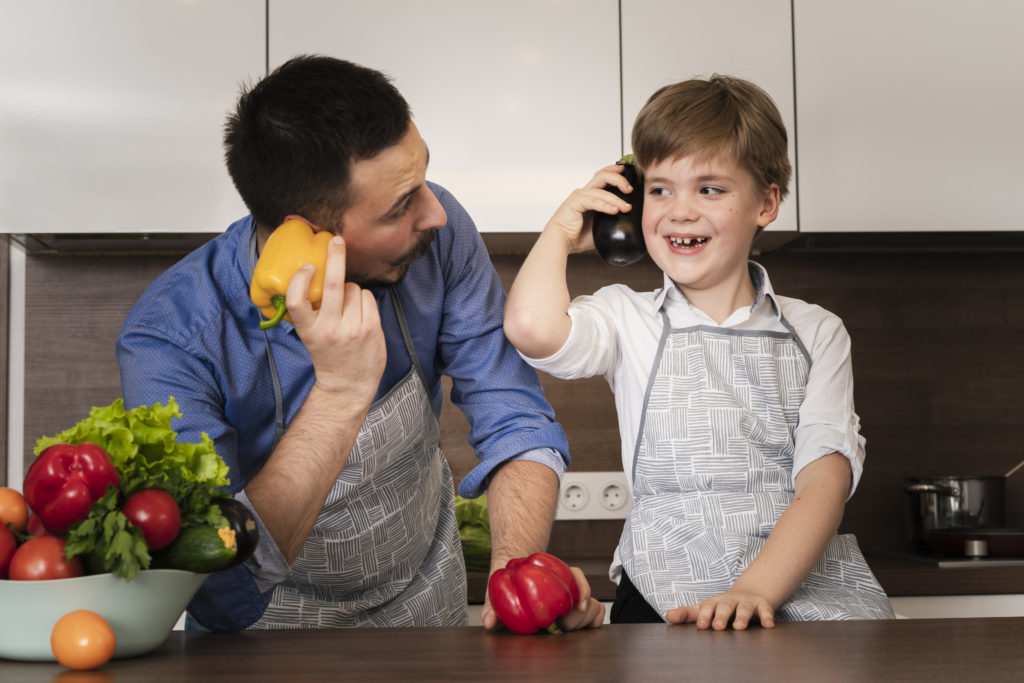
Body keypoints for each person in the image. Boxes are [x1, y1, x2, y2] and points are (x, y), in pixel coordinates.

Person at [117, 55, 605, 631]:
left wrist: (516, 574)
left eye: (423, 179)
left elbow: (514, 415)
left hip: (426, 608)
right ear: (306, 236)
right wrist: (341, 390)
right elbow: (218, 589)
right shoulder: (169, 337)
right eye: (400, 207)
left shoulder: (437, 241)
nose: (436, 215)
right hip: (259, 638)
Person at [503, 75, 895, 629]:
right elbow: (530, 328)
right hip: (665, 590)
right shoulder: (626, 317)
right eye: (660, 189)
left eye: (709, 189)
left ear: (766, 202)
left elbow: (825, 480)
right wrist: (562, 231)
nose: (679, 210)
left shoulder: (817, 331)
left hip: (797, 585)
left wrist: (755, 588)